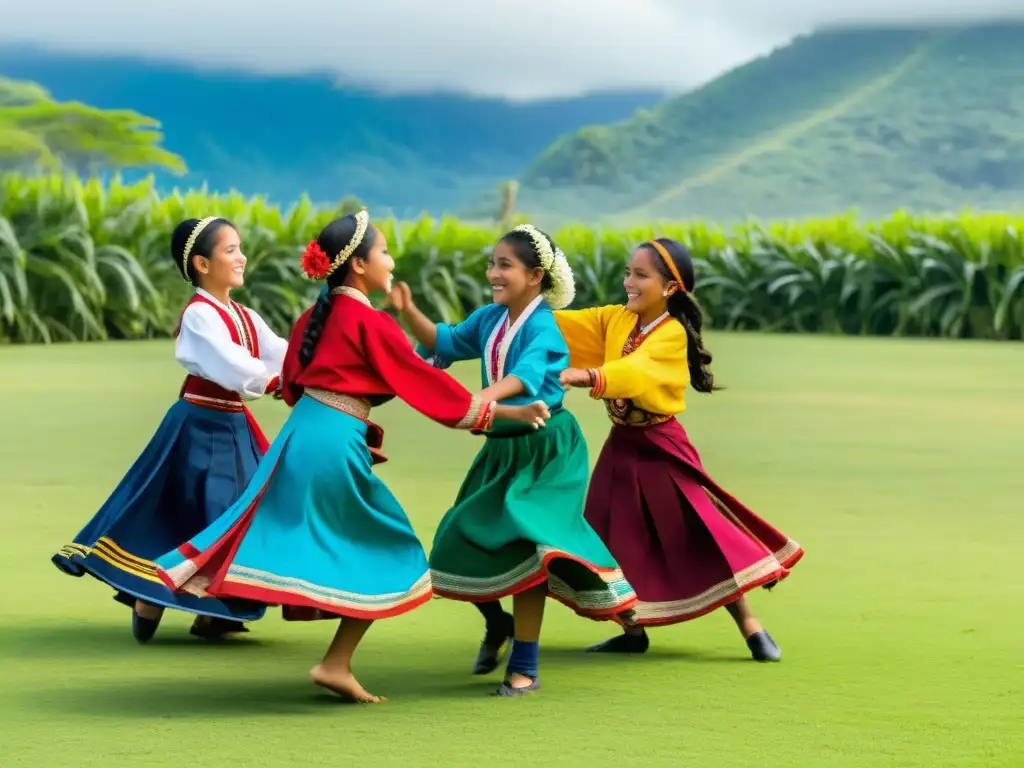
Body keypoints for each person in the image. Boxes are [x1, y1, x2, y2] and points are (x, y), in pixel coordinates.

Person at [155, 211, 551, 704]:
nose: (391, 260)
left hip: (301, 436)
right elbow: (427, 388)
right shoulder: (369, 321)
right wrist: (506, 413)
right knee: (391, 547)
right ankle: (334, 661)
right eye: (384, 252)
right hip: (332, 442)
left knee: (282, 529)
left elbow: (300, 383)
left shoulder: (314, 318)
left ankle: (322, 654)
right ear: (360, 265)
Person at [392, 224, 636, 696]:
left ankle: (525, 667)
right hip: (502, 447)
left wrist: (480, 400)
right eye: (492, 263)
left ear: (535, 275)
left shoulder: (543, 328)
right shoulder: (489, 318)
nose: (493, 273)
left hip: (547, 447)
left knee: (532, 546)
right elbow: (443, 341)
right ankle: (499, 622)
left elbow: (524, 379)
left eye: (505, 265)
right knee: (459, 538)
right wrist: (408, 312)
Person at [553, 237, 804, 661]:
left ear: (670, 288)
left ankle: (750, 625)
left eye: (640, 275)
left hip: (662, 444)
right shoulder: (615, 319)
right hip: (624, 444)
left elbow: (637, 371)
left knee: (695, 530)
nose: (628, 282)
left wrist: (590, 376)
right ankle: (633, 630)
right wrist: (522, 315)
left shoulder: (669, 334)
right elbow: (562, 325)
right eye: (628, 272)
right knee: (614, 533)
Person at [53, 216, 287, 643]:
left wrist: (308, 370)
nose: (241, 257)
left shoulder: (245, 315)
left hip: (233, 425)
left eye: (239, 248)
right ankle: (152, 593)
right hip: (199, 425)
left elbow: (278, 352)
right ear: (201, 263)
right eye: (230, 250)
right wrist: (274, 381)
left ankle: (216, 609)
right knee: (199, 511)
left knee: (243, 509)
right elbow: (229, 362)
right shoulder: (200, 314)